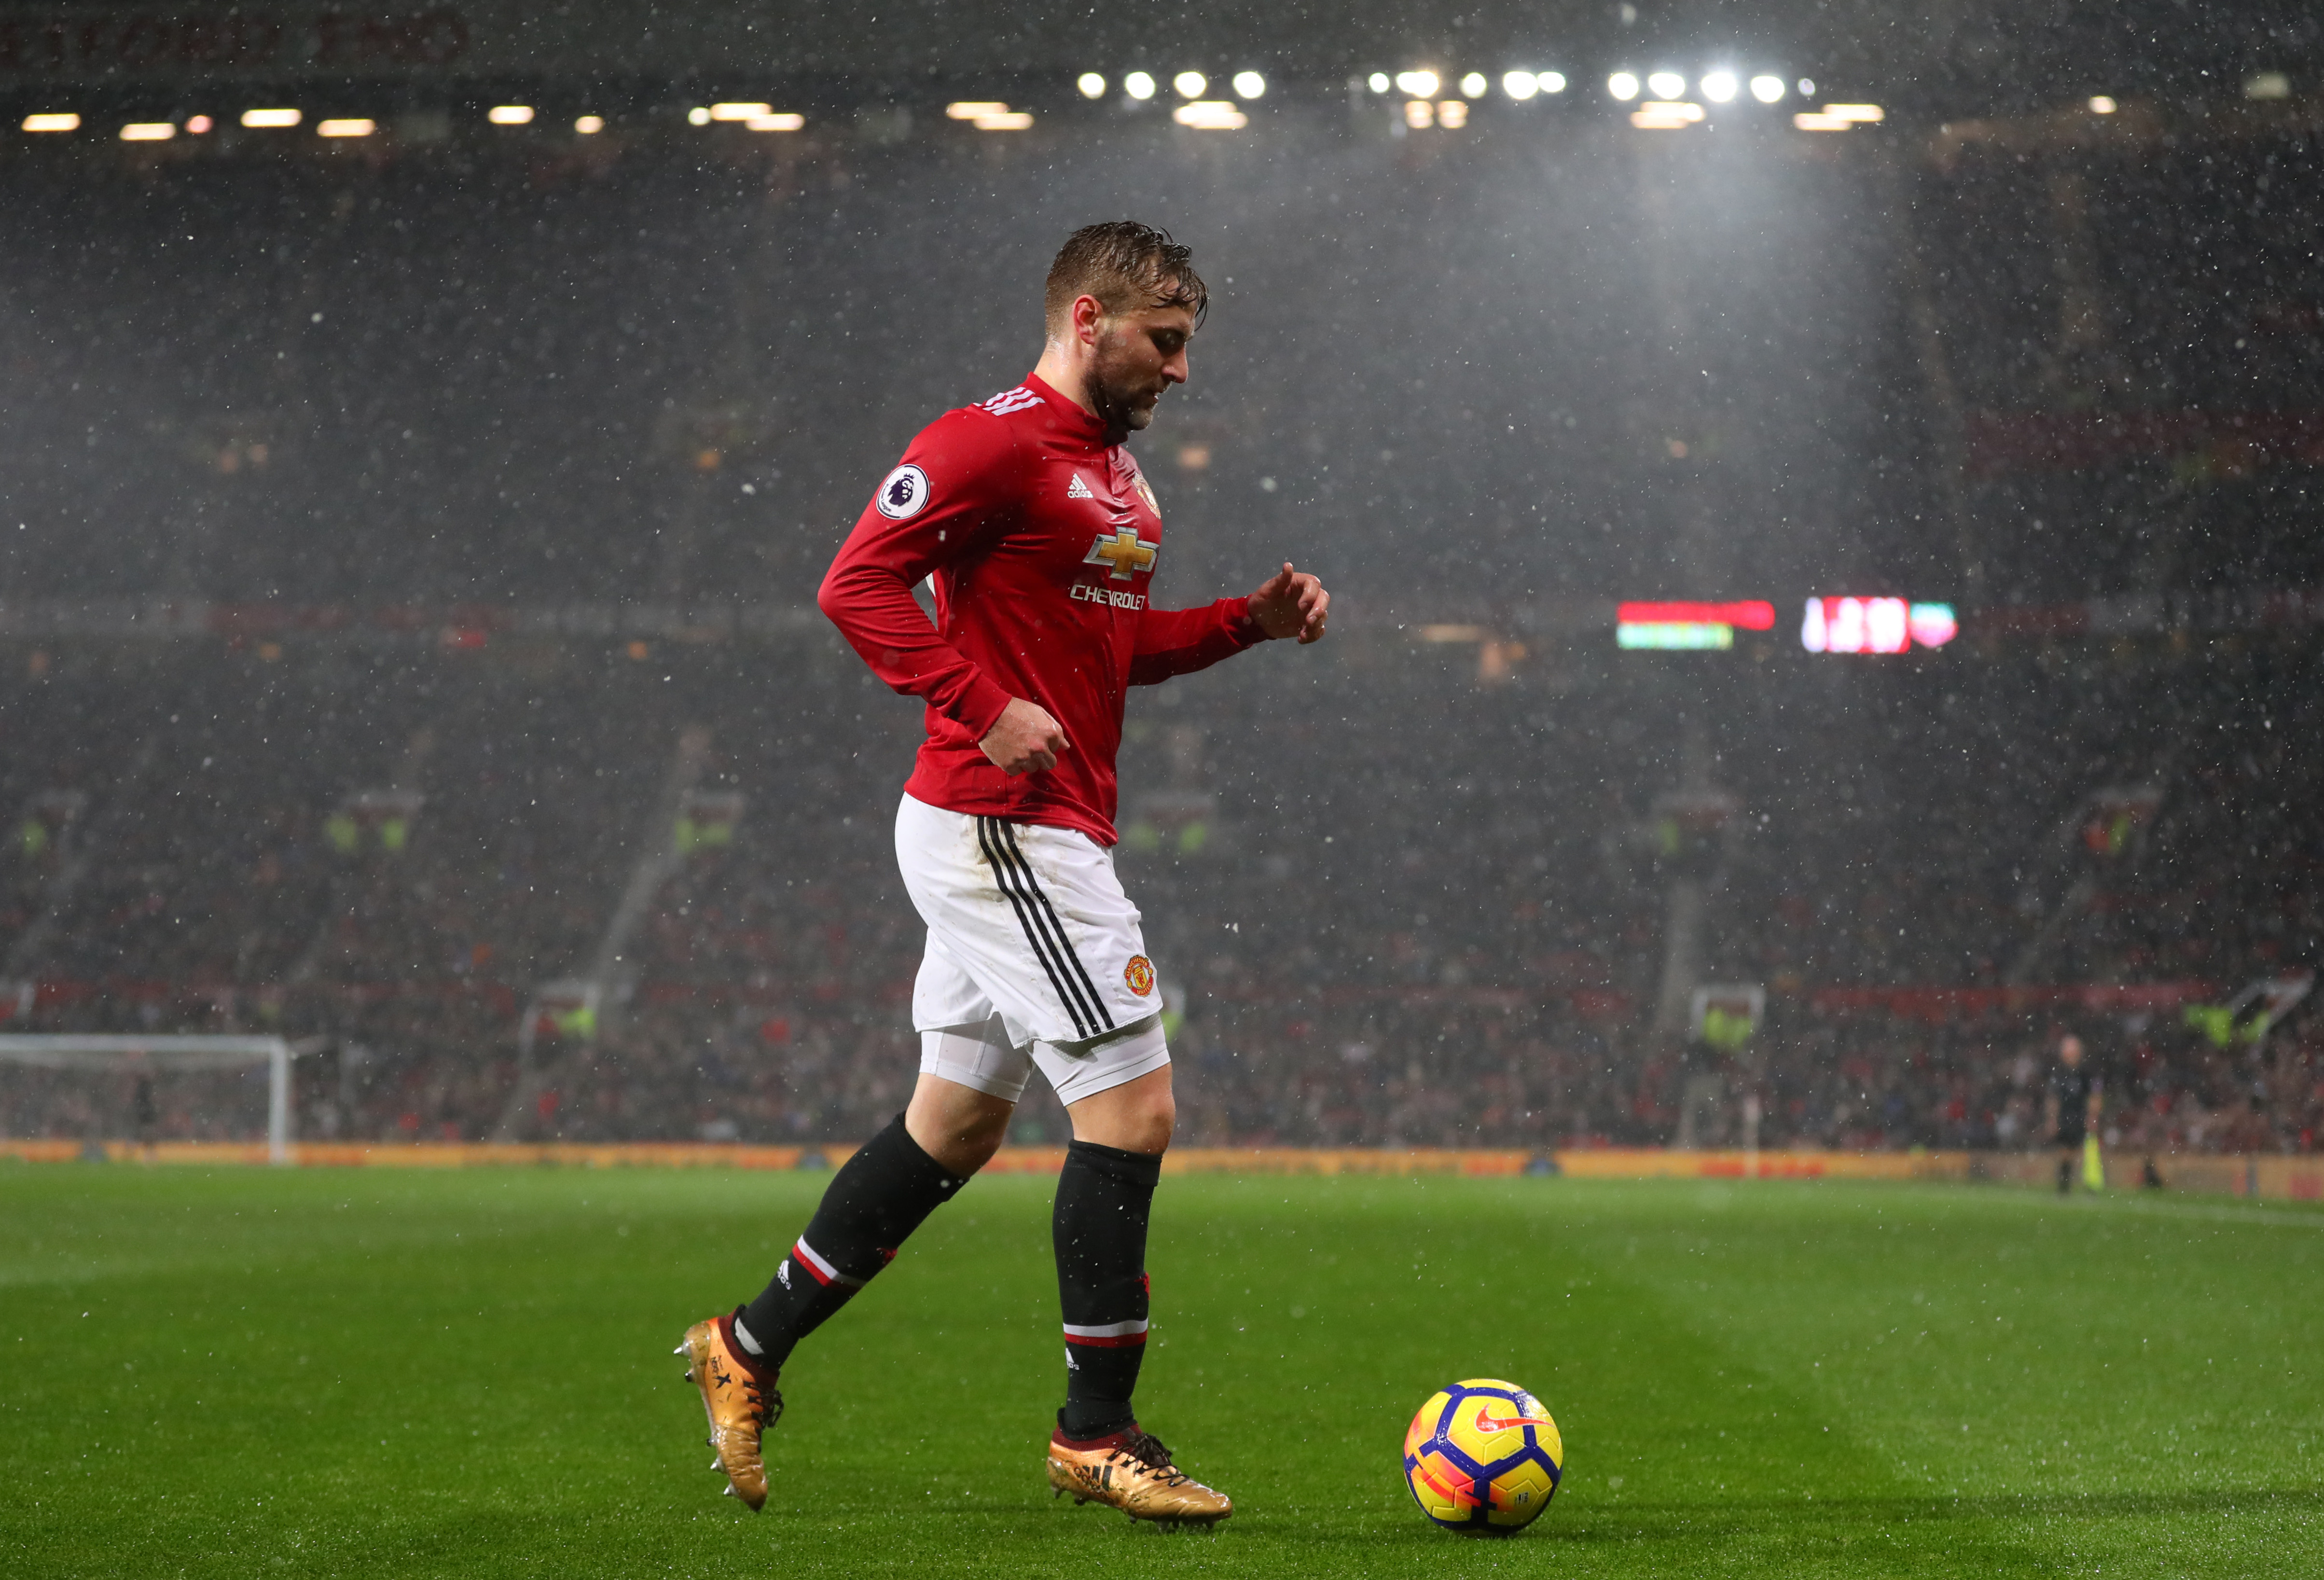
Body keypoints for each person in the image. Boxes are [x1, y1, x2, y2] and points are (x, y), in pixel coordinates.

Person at [678, 222, 1329, 1526]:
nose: (1183, 369)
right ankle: (1097, 1432)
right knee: (1133, 1111)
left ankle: (745, 1345)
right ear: (1088, 319)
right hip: (1004, 823)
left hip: (1037, 821)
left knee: (956, 1125)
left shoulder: (1122, 483)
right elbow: (854, 585)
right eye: (1167, 339)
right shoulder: (986, 440)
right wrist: (978, 700)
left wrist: (1238, 629)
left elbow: (1106, 651)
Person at [2043, 1033, 2101, 1193]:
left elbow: (2095, 1096)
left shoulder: (2086, 1072)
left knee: (2086, 1153)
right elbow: (2053, 1098)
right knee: (2065, 1152)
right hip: (2065, 1116)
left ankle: (2091, 1187)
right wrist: (2052, 1120)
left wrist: (2093, 1117)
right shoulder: (2059, 1073)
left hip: (2081, 1116)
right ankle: (2064, 1187)